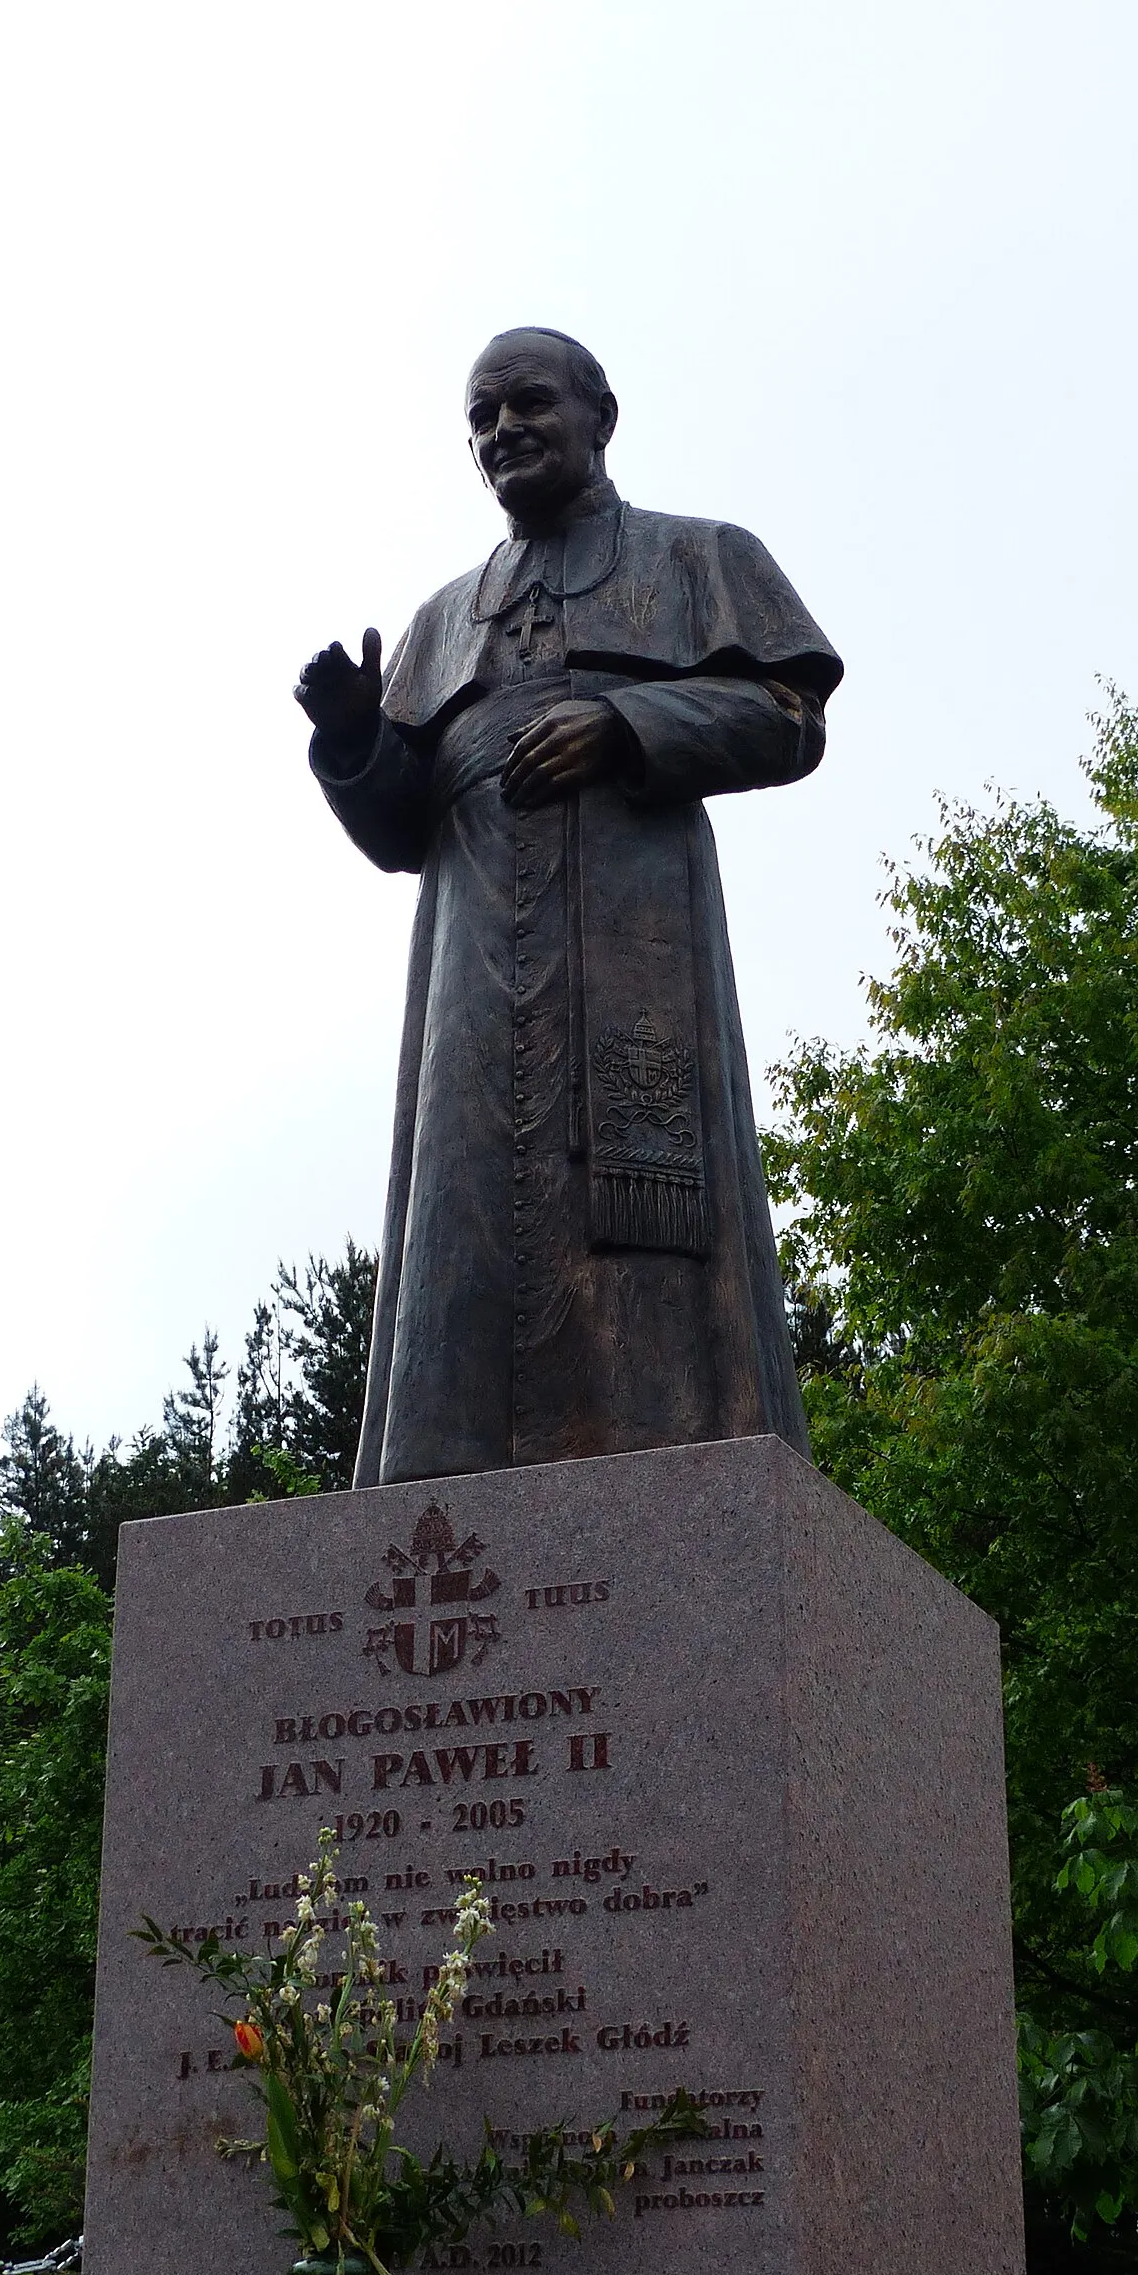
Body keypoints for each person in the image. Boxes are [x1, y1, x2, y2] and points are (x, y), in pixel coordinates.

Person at [297, 327, 841, 1488]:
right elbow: (398, 830)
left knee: (638, 1228)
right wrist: (350, 739)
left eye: (525, 404)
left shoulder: (696, 558)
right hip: (470, 978)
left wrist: (631, 724)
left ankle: (676, 1486)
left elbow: (790, 716)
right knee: (463, 1227)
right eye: (479, 419)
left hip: (634, 958)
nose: (502, 432)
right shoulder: (446, 618)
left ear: (600, 413)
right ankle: (438, 1494)